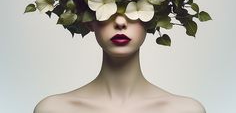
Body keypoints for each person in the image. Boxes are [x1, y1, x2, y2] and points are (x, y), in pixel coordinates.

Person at [33, 13, 206, 113]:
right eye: (108, 8)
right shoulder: (53, 109)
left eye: (134, 6)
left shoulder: (186, 110)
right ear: (88, 20)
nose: (120, 22)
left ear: (153, 17)